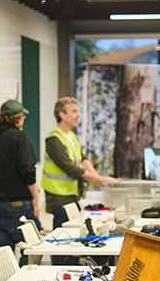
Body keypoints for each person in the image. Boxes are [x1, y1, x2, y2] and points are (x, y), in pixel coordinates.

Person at [41, 96, 115, 229]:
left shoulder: (71, 136)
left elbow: (83, 160)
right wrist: (101, 178)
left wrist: (100, 179)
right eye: (74, 111)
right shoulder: (53, 140)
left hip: (72, 195)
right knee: (63, 235)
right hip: (59, 197)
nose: (78, 115)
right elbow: (72, 169)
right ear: (62, 115)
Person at [0, 99, 41, 265]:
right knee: (33, 251)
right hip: (19, 207)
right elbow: (28, 171)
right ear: (19, 118)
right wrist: (36, 199)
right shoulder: (20, 137)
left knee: (3, 258)